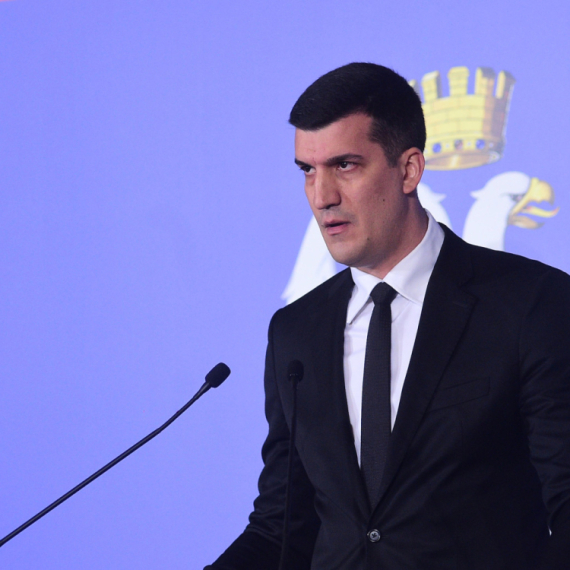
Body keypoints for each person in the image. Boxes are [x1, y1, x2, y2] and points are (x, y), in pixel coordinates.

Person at [206, 63, 570, 569]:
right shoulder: (296, 332)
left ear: (409, 170)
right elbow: (282, 529)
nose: (322, 197)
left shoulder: (531, 303)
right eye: (307, 170)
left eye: (345, 165)